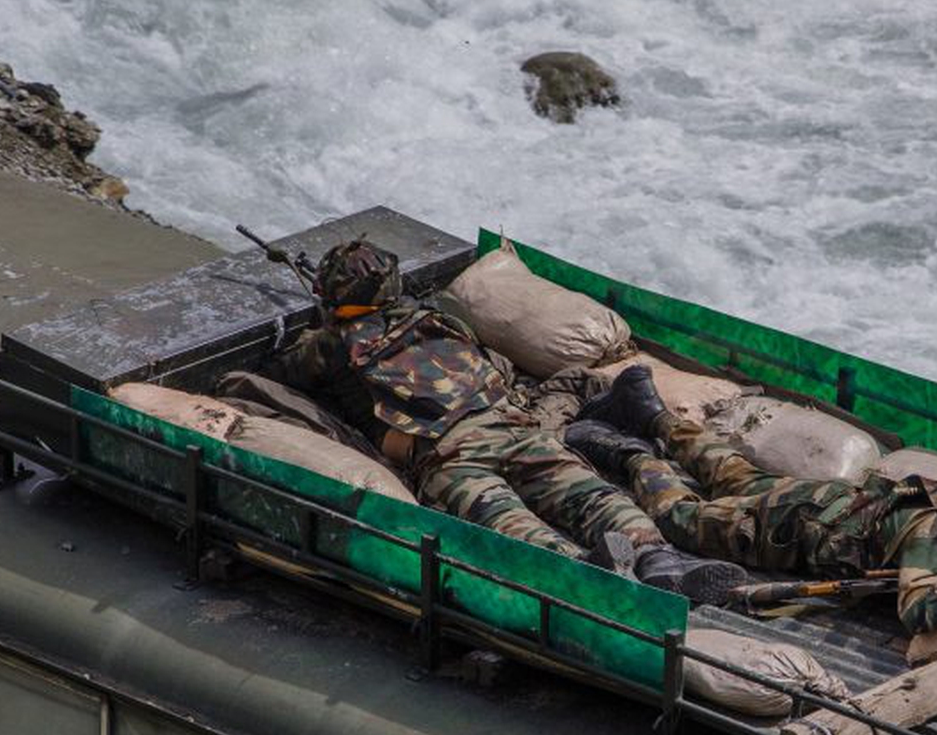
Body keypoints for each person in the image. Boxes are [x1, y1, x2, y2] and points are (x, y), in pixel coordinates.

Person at [261, 239, 728, 593]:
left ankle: (584, 570)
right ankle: (656, 557)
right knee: (588, 493)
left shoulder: (334, 344)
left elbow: (289, 370)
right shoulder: (440, 315)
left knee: (502, 519)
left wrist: (325, 323)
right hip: (510, 423)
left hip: (445, 451)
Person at [564, 364, 937, 634]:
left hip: (820, 499)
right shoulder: (930, 541)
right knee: (679, 515)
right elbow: (919, 613)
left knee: (730, 471)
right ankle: (633, 456)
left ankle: (651, 412)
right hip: (780, 532)